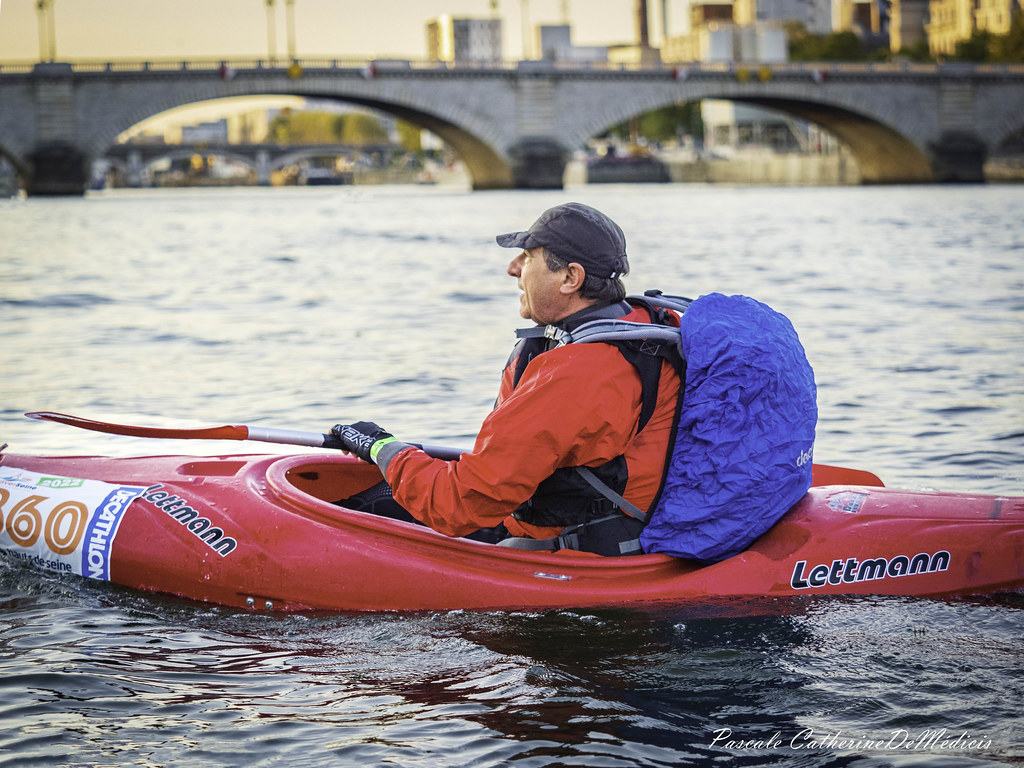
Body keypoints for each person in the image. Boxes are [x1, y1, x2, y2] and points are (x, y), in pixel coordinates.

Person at [332, 202, 682, 556]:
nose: (512, 268)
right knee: (381, 500)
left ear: (570, 278)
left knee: (357, 515)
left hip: (567, 551)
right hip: (608, 521)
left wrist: (380, 446)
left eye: (528, 257)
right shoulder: (645, 324)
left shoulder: (576, 375)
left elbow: (458, 505)